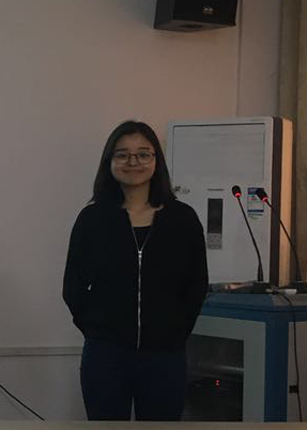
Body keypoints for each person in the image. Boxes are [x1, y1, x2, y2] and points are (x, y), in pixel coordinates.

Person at [63, 120, 208, 421]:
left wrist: (175, 330)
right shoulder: (92, 219)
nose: (133, 162)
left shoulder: (182, 219)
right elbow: (73, 286)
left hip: (165, 356)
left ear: (156, 161)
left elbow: (196, 285)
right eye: (122, 154)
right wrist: (97, 329)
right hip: (105, 355)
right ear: (109, 162)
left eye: (143, 154)